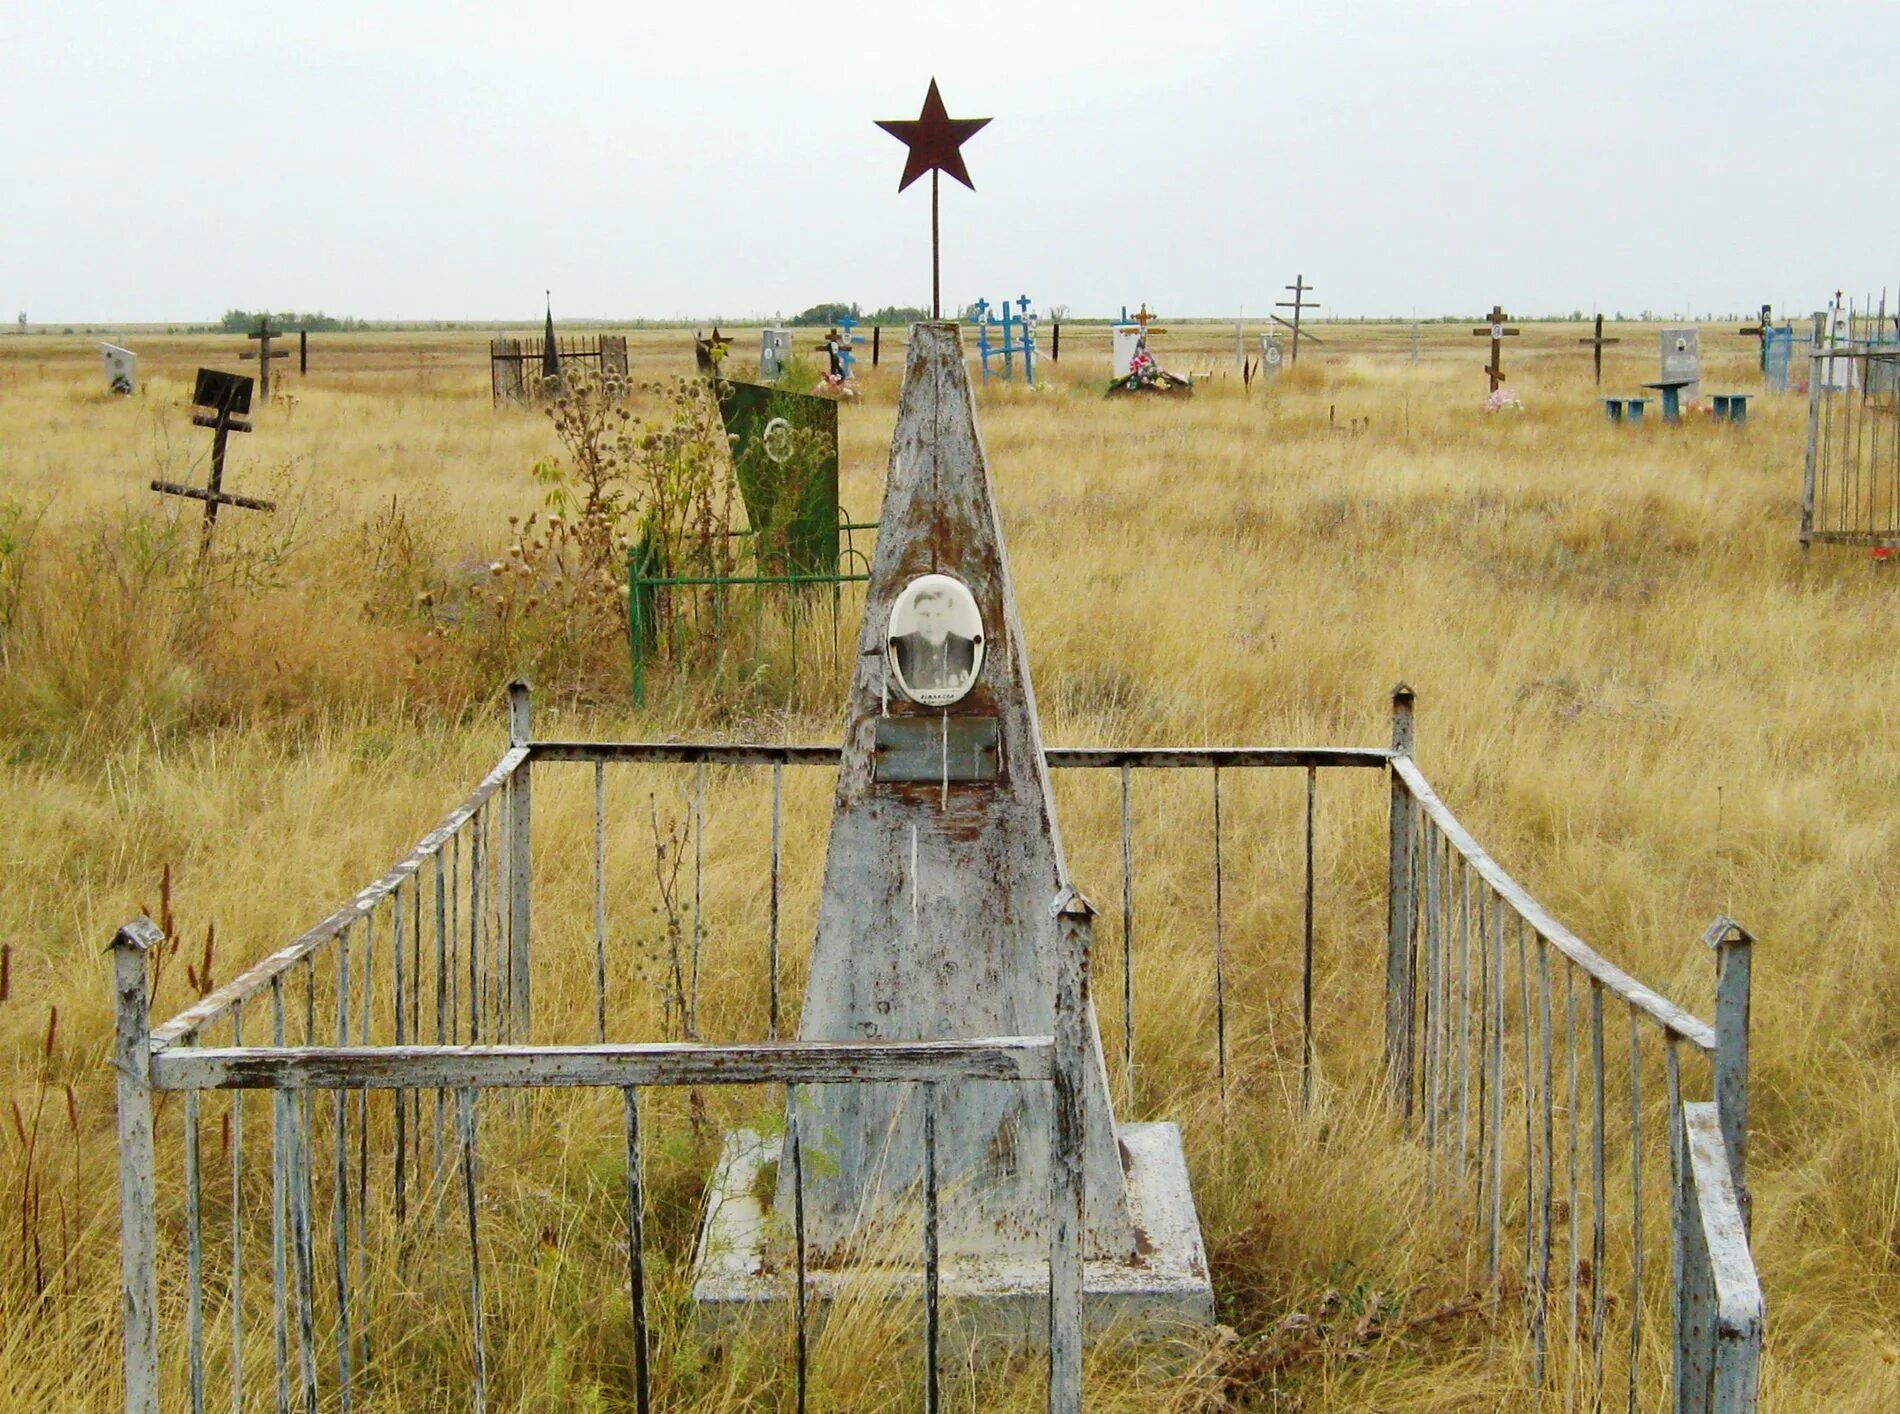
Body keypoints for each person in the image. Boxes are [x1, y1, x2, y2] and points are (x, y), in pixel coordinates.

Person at [890, 587, 977, 694]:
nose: (932, 622)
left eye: (939, 615)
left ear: (950, 615)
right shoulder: (900, 648)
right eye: (925, 615)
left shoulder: (969, 649)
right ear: (914, 614)